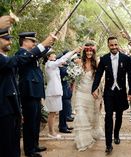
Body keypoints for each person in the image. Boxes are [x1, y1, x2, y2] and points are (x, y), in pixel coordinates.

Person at [0, 28, 55, 157]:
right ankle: (29, 149)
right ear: (25, 41)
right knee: (28, 124)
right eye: (6, 39)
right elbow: (24, 59)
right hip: (26, 93)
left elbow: (38, 54)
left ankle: (33, 146)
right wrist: (43, 44)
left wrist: (48, 43)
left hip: (25, 96)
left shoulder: (24, 55)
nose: (9, 42)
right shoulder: (20, 54)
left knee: (33, 122)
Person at [92, 36, 131, 154]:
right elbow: (98, 74)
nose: (114, 47)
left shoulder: (126, 59)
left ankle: (116, 134)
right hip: (109, 92)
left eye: (116, 45)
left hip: (121, 92)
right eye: (112, 45)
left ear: (118, 44)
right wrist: (94, 88)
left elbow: (130, 75)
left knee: (119, 115)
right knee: (108, 116)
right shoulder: (104, 59)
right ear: (108, 46)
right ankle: (108, 144)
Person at [44, 48, 81, 138]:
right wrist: (73, 51)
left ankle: (52, 131)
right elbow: (62, 59)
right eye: (53, 54)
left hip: (56, 92)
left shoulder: (53, 65)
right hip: (52, 92)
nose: (55, 55)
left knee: (53, 113)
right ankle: (51, 132)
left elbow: (63, 61)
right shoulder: (50, 64)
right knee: (52, 114)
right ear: (48, 57)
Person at [74, 42, 103, 151]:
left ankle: (92, 133)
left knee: (91, 116)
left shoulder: (97, 63)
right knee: (81, 115)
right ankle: (82, 140)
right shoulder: (78, 62)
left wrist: (97, 90)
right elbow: (75, 79)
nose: (89, 53)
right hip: (80, 93)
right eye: (87, 51)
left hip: (92, 93)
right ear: (84, 52)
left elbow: (99, 79)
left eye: (91, 51)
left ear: (94, 52)